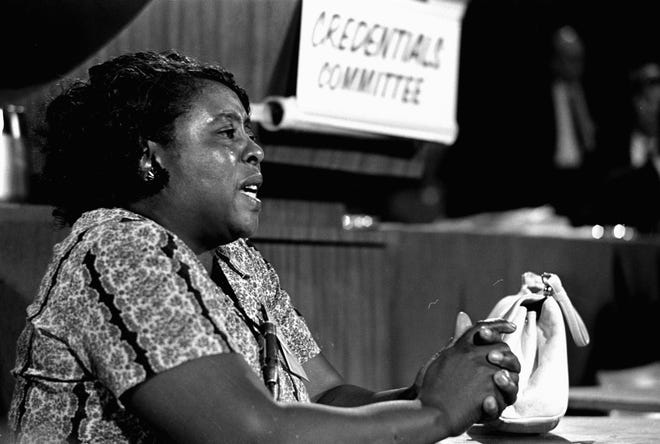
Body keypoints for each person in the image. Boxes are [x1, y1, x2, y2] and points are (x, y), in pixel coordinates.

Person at [8, 50, 520, 443]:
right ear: (150, 157)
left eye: (248, 133)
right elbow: (252, 433)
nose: (254, 149)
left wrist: (429, 386)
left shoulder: (237, 262)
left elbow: (325, 396)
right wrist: (433, 414)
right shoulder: (118, 247)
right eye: (226, 133)